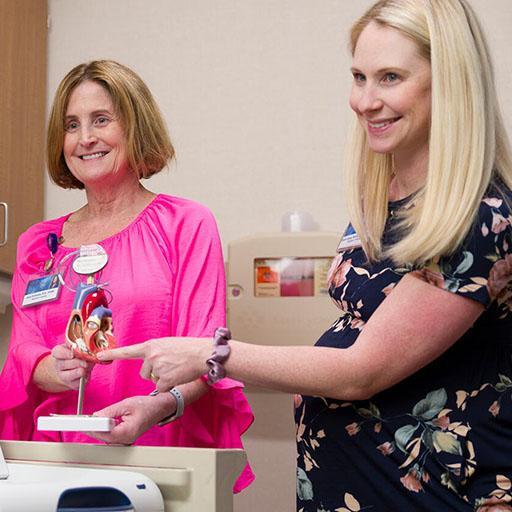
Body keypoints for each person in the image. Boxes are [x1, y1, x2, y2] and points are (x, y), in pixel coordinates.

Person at [96, 1, 512, 510]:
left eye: (390, 78)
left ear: (450, 83)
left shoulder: (481, 216)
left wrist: (213, 353)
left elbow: (362, 370)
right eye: (358, 77)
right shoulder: (388, 199)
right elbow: (358, 342)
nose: (364, 101)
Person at [0, 60, 253, 493]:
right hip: (53, 464)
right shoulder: (38, 244)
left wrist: (157, 407)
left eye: (101, 120)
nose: (85, 139)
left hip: (156, 454)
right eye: (71, 125)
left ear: (135, 126)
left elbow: (204, 357)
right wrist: (55, 369)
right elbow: (24, 357)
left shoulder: (185, 224)